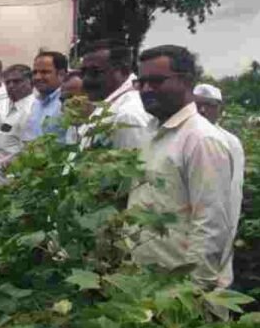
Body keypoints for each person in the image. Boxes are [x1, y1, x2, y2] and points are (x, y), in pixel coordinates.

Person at [128, 45, 237, 288]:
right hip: (144, 284)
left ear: (186, 82)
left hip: (179, 294)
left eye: (156, 81)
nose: (146, 89)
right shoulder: (153, 132)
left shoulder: (201, 139)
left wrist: (193, 292)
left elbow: (211, 224)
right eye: (141, 82)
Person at [194, 82, 245, 256]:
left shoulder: (229, 142)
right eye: (197, 104)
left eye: (209, 105)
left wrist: (227, 234)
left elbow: (233, 192)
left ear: (220, 109)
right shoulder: (183, 136)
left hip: (213, 228)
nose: (201, 110)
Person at [79, 40, 154, 150]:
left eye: (94, 72)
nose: (86, 79)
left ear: (122, 70)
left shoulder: (128, 115)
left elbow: (131, 164)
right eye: (83, 72)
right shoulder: (111, 104)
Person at [0, 65, 36, 187]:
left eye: (17, 81)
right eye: (8, 82)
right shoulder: (5, 106)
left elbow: (30, 153)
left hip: (13, 187)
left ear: (30, 82)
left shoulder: (32, 111)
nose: (11, 86)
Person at [24, 51, 67, 141]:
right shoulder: (35, 104)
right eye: (35, 72)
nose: (37, 77)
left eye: (45, 72)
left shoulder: (67, 102)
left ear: (61, 74)